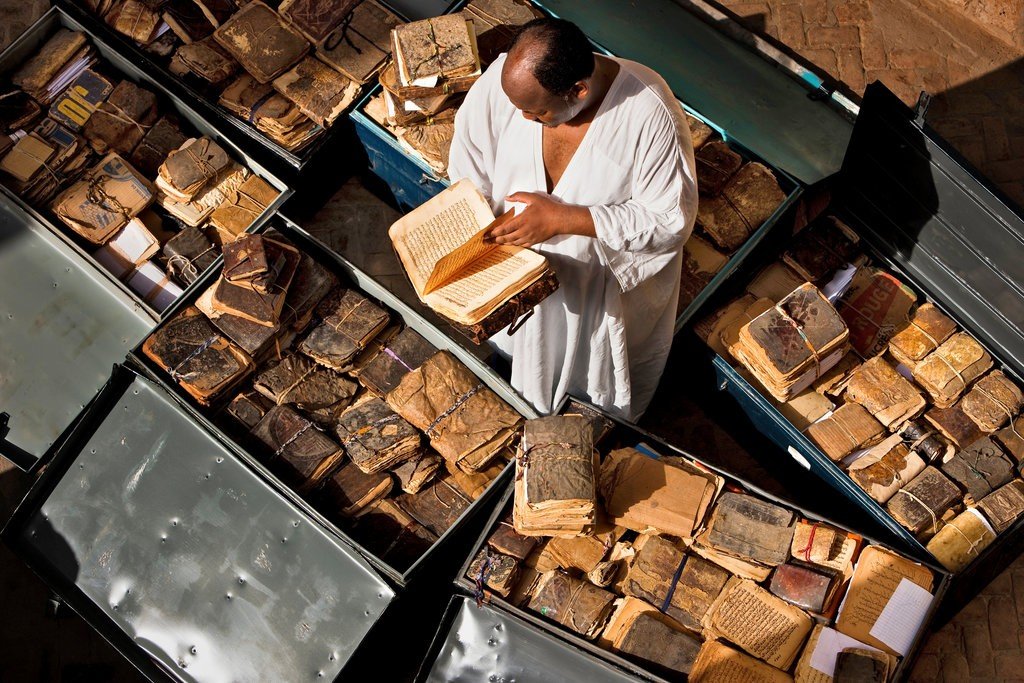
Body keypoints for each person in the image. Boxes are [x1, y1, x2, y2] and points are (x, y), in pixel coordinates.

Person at [447, 18, 698, 421]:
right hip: (515, 280)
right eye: (520, 109)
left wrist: (565, 219)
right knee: (523, 361)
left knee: (584, 389)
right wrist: (475, 220)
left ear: (578, 89)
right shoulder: (506, 81)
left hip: (590, 297)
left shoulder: (650, 114)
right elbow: (470, 155)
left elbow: (669, 220)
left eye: (538, 112)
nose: (524, 120)